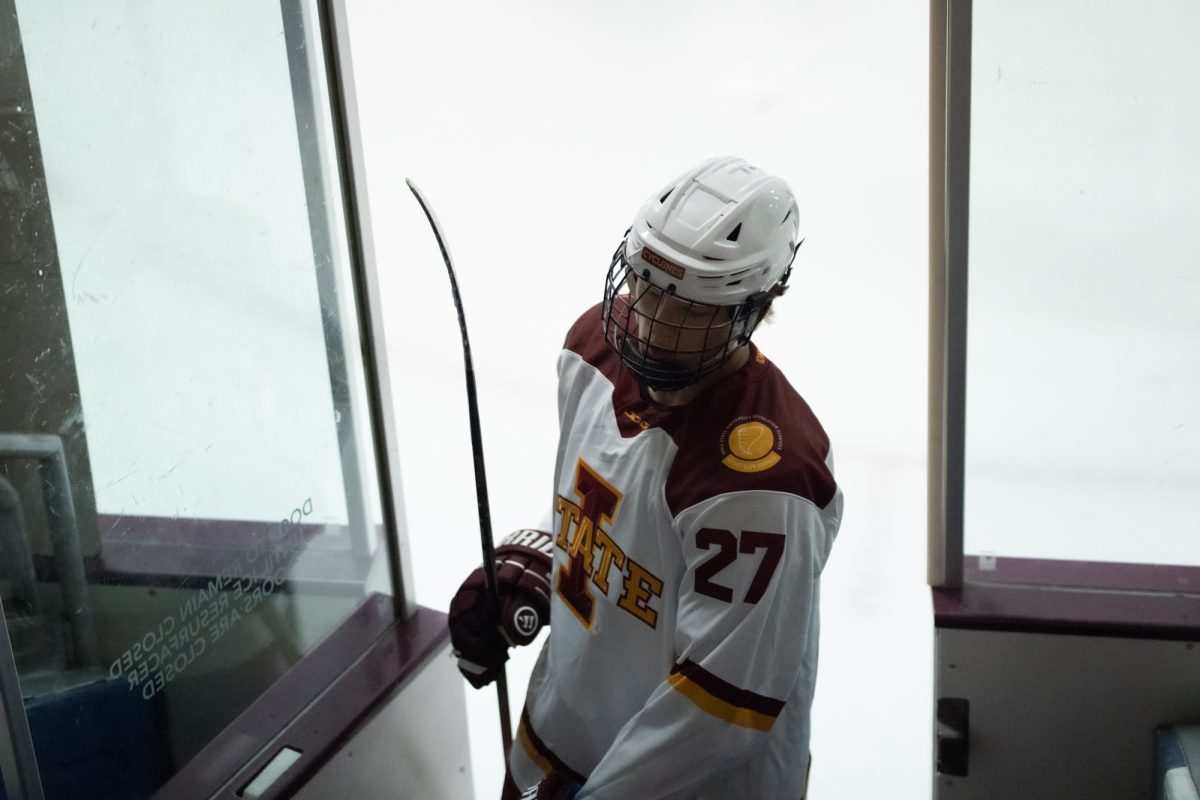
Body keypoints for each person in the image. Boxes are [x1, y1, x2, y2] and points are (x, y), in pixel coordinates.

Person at [449, 156, 843, 800]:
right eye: (645, 285)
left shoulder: (767, 481)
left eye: (686, 306)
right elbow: (608, 512)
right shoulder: (591, 351)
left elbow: (722, 707)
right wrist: (540, 561)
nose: (651, 317)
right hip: (557, 746)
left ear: (752, 307)